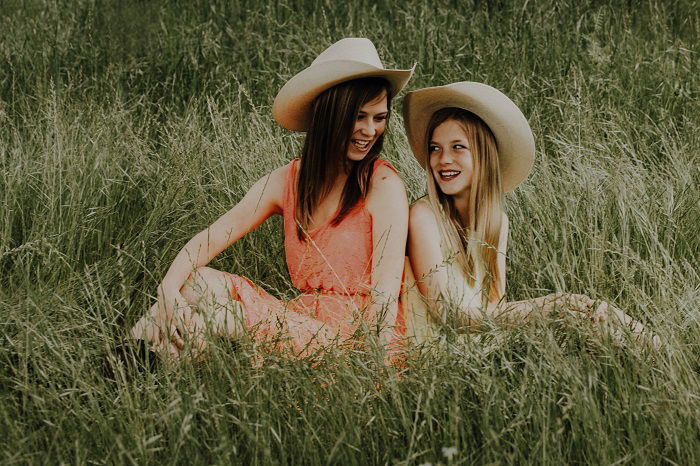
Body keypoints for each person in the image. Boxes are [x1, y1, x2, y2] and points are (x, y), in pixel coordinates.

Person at [128, 38, 413, 362]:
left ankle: (137, 369)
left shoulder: (383, 184)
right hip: (303, 320)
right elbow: (210, 238)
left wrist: (371, 365)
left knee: (220, 319)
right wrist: (166, 290)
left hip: (354, 342)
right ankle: (133, 363)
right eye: (359, 116)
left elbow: (385, 296)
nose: (370, 130)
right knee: (193, 283)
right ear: (329, 115)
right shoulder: (288, 180)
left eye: (379, 117)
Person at [400, 82, 660, 348]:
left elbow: (493, 307)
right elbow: (450, 315)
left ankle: (667, 356)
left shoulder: (496, 221)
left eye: (458, 147)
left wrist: (556, 307)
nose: (443, 159)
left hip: (480, 347)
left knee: (589, 310)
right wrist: (546, 307)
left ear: (484, 155)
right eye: (435, 148)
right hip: (437, 352)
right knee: (570, 311)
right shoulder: (423, 216)